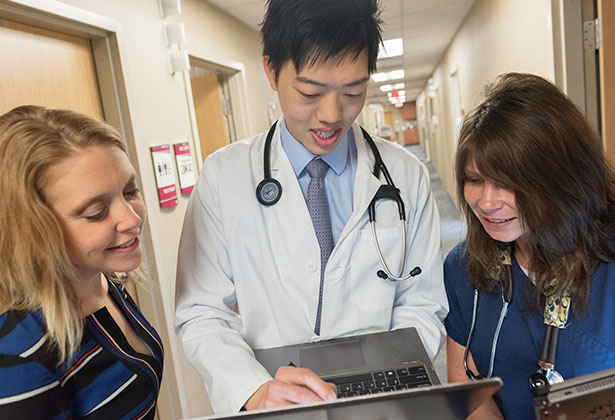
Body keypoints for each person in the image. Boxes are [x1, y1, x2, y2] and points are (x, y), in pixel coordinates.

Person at [175, 0, 448, 414]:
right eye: (310, 92)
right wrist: (253, 389)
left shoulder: (404, 175)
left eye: (353, 92)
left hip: (383, 398)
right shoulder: (223, 176)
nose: (331, 115)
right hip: (273, 397)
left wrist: (390, 371)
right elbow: (201, 310)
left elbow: (423, 302)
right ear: (270, 70)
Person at [444, 72, 615, 420]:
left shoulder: (607, 260)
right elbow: (469, 387)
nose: (487, 202)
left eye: (508, 183)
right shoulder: (464, 268)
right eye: (475, 180)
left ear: (560, 177)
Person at [0, 106, 164, 419]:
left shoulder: (105, 282)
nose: (132, 219)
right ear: (32, 229)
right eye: (95, 213)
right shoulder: (17, 357)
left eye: (130, 191)